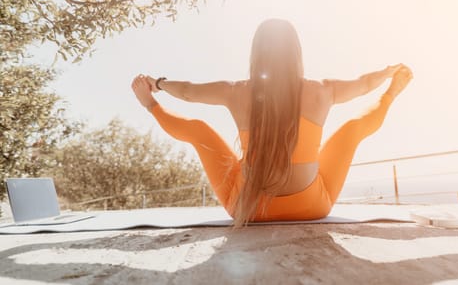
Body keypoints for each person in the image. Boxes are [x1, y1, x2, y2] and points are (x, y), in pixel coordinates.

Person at [131, 19, 412, 227]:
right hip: (310, 206)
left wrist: (156, 86)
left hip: (249, 207)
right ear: (297, 53)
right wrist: (387, 76)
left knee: (200, 131)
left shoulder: (236, 91)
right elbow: (363, 85)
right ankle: (392, 96)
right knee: (352, 130)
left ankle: (150, 107)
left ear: (256, 54)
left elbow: (189, 92)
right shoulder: (322, 90)